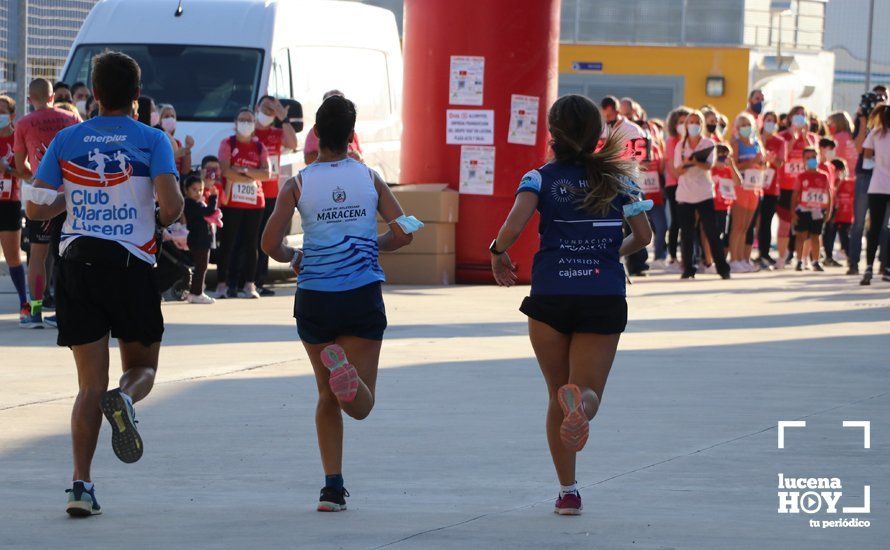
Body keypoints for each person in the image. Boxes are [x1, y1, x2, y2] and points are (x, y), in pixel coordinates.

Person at [23, 50, 183, 517]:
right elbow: (171, 208)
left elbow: (35, 207)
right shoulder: (152, 140)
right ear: (136, 97)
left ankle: (80, 486)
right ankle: (127, 398)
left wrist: (74, 202)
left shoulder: (68, 139)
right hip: (132, 268)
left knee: (87, 387)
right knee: (143, 368)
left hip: (77, 267)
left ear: (93, 95)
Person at [489, 95, 651, 516]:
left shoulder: (539, 178)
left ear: (553, 133)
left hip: (550, 297)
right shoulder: (620, 179)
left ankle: (568, 491)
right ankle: (581, 406)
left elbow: (513, 225)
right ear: (598, 135)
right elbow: (644, 235)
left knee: (553, 393)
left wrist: (497, 251)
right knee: (587, 390)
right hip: (603, 296)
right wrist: (614, 252)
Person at [261, 94, 418, 512]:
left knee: (326, 397)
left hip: (315, 299)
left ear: (316, 134)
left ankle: (331, 487)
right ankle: (345, 371)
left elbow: (269, 244)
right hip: (360, 295)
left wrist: (295, 257)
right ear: (352, 135)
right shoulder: (370, 178)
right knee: (360, 405)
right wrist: (372, 244)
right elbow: (404, 232)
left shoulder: (298, 183)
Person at [14, 78, 79, 329]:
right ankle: (64, 311)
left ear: (30, 99)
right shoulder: (72, 119)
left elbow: (21, 168)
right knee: (67, 254)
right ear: (53, 97)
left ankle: (36, 311)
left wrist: (38, 176)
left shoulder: (24, 123)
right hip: (71, 194)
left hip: (42, 195)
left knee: (38, 256)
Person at [212, 109, 270, 299]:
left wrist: (243, 170)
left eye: (249, 120)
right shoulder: (228, 143)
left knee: (251, 243)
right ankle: (222, 284)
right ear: (236, 122)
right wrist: (251, 174)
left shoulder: (260, 147)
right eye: (242, 120)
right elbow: (226, 170)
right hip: (232, 202)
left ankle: (249, 284)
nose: (246, 123)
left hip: (255, 203)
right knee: (228, 243)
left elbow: (266, 174)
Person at [674, 109, 731, 279]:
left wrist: (695, 162)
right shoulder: (681, 145)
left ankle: (722, 268)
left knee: (711, 231)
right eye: (691, 122)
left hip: (704, 192)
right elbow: (678, 170)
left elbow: (708, 166)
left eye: (697, 122)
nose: (694, 125)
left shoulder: (707, 143)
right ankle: (688, 268)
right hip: (685, 193)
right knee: (686, 233)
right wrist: (688, 162)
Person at [253, 95, 298, 296]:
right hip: (250, 193)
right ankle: (242, 280)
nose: (268, 113)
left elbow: (293, 142)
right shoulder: (248, 130)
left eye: (272, 110)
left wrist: (284, 118)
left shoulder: (276, 132)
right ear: (256, 108)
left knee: (265, 237)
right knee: (248, 239)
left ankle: (259, 281)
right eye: (265, 108)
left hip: (270, 193)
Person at [847, 86, 888, 275]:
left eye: (883, 97)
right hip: (865, 176)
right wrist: (864, 121)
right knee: (859, 223)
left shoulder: (886, 124)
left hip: (882, 179)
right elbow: (859, 149)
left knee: (883, 225)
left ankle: (882, 263)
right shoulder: (865, 123)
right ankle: (853, 262)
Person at [776, 105, 819, 269]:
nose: (800, 117)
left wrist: (805, 135)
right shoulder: (782, 137)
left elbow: (815, 158)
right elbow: (783, 157)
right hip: (787, 185)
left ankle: (804, 258)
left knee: (806, 226)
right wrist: (794, 137)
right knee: (785, 223)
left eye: (803, 115)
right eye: (797, 115)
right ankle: (781, 257)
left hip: (806, 187)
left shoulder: (812, 138)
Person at [0, 95, 30, 324]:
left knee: (12, 256)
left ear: (11, 114)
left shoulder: (17, 138)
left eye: (2, 111)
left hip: (9, 203)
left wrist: (7, 168)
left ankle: (24, 303)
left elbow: (27, 173)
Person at [729, 113, 764, 272]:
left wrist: (762, 163)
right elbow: (734, 164)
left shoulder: (757, 143)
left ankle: (743, 258)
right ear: (737, 128)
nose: (746, 128)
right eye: (742, 125)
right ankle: (734, 258)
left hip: (754, 187)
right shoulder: (735, 144)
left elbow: (762, 164)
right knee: (737, 225)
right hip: (741, 186)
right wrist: (751, 162)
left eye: (748, 124)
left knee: (746, 226)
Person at [860, 103, 890, 284]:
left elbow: (866, 159)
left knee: (874, 228)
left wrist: (879, 166)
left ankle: (869, 267)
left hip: (877, 186)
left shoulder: (875, 134)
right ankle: (887, 267)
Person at [791, 148, 831, 271]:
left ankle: (816, 261)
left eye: (813, 157)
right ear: (803, 160)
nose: (811, 160)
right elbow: (795, 194)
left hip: (817, 211)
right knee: (800, 236)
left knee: (816, 236)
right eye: (808, 158)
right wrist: (793, 212)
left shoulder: (823, 176)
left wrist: (828, 211)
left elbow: (828, 194)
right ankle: (799, 261)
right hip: (803, 210)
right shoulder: (801, 176)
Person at [182, 172, 218, 303]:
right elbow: (209, 212)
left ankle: (195, 292)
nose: (198, 193)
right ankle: (197, 293)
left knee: (202, 266)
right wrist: (214, 197)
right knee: (201, 267)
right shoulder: (190, 203)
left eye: (201, 190)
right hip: (198, 239)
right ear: (186, 190)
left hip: (203, 239)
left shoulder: (198, 203)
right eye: (194, 189)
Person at [757, 111, 787, 267]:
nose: (770, 123)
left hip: (772, 187)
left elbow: (781, 163)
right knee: (753, 221)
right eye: (767, 120)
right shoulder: (755, 139)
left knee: (766, 222)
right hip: (755, 185)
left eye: (772, 121)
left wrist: (771, 158)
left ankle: (764, 252)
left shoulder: (780, 141)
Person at [663, 106, 691, 273]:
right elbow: (672, 166)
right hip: (674, 184)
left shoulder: (691, 141)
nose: (683, 125)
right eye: (680, 122)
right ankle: (673, 256)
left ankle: (688, 256)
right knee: (676, 221)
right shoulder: (671, 141)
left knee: (688, 223)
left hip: (690, 185)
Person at [304, 90, 363, 165]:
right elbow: (308, 159)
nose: (336, 109)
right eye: (331, 104)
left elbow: (360, 156)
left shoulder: (351, 131)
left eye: (341, 104)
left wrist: (358, 157)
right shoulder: (313, 133)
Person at [824, 158, 852, 266]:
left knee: (843, 234)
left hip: (843, 213)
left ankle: (848, 257)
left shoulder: (847, 182)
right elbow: (832, 192)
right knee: (829, 233)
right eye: (841, 170)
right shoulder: (832, 178)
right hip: (831, 209)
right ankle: (828, 257)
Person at [711, 143, 739, 250]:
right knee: (709, 234)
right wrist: (713, 163)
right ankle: (706, 259)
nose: (722, 158)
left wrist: (732, 166)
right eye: (720, 155)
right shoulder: (711, 169)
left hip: (724, 207)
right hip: (711, 206)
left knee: (722, 235)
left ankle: (720, 258)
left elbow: (738, 182)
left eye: (725, 156)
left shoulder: (729, 170)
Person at [158, 104, 194, 175]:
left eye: (172, 116)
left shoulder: (177, 143)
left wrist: (188, 148)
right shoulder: (157, 141)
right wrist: (176, 155)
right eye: (166, 116)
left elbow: (185, 171)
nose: (170, 119)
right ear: (160, 120)